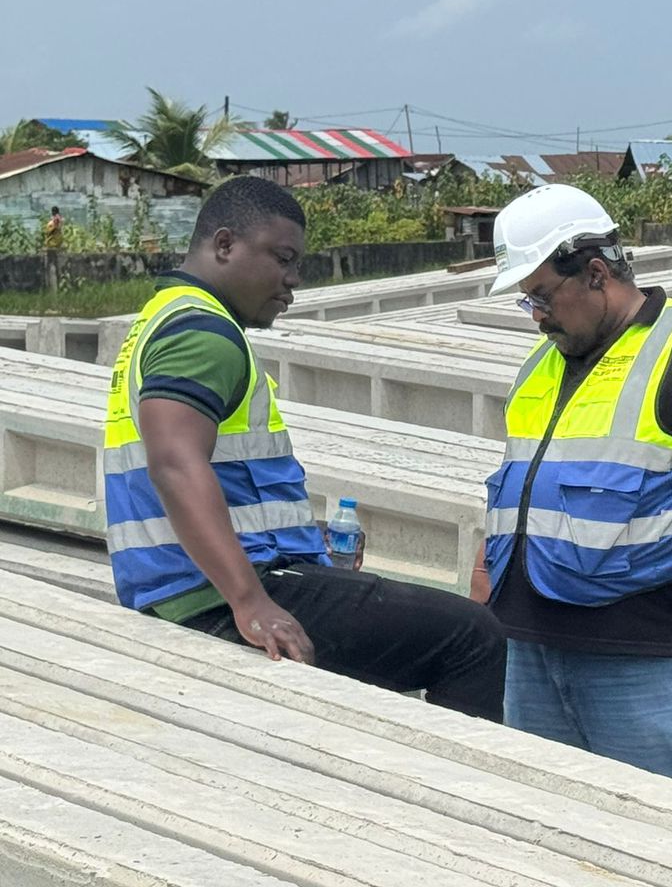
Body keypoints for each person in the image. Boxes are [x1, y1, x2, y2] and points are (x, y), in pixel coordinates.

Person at [103, 176, 506, 722]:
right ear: (224, 245)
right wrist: (250, 603)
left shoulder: (162, 318)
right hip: (214, 595)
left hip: (177, 583)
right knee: (471, 635)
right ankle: (467, 793)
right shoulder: (204, 334)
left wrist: (300, 540)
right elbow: (175, 462)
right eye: (283, 259)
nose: (293, 282)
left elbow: (220, 471)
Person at [471, 183, 672, 790]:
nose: (536, 317)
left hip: (645, 657)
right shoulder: (545, 361)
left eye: (541, 297)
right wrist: (488, 567)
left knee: (665, 838)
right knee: (550, 830)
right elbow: (520, 477)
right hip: (530, 647)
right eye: (526, 302)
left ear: (595, 273)